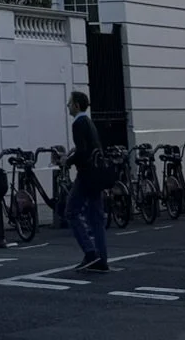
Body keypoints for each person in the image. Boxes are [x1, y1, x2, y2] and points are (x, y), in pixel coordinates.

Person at [63, 90, 108, 272]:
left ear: (77, 105)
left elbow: (83, 152)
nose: (68, 106)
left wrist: (68, 161)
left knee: (71, 211)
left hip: (85, 175)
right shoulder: (89, 122)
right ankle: (101, 260)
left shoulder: (78, 123)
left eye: (70, 103)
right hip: (97, 174)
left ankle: (90, 253)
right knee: (96, 217)